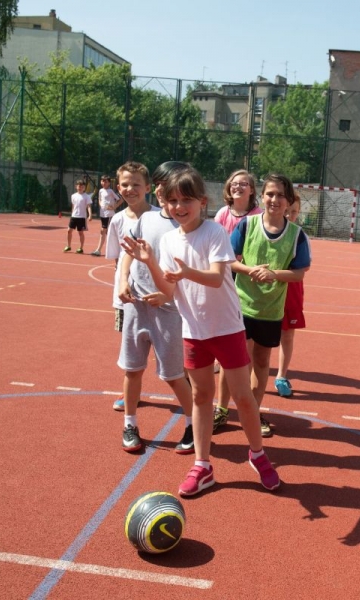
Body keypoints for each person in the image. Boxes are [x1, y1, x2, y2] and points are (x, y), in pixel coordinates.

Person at [123, 166, 281, 496]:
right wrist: (150, 262)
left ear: (202, 202)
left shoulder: (214, 232)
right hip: (194, 331)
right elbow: (170, 290)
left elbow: (214, 277)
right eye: (172, 201)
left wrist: (185, 273)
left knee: (243, 398)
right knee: (201, 397)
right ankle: (202, 465)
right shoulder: (168, 240)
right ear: (164, 202)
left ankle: (258, 455)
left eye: (186, 200)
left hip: (226, 328)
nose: (179, 207)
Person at [116, 162, 194, 454]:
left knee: (174, 375)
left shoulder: (185, 226)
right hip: (136, 307)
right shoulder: (146, 219)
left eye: (167, 184)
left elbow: (189, 273)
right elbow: (130, 252)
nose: (161, 189)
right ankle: (130, 424)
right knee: (132, 369)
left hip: (168, 311)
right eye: (159, 184)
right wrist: (123, 280)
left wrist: (167, 296)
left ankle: (193, 424)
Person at [230, 174, 311, 437]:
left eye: (280, 195)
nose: (275, 199)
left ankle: (253, 412)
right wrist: (249, 270)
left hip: (270, 310)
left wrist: (273, 274)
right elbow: (228, 259)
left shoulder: (297, 235)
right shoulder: (247, 225)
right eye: (270, 194)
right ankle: (224, 409)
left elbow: (299, 273)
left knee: (262, 361)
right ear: (262, 196)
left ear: (289, 201)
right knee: (236, 362)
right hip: (241, 306)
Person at [104, 161, 156, 446]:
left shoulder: (160, 217)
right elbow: (117, 259)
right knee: (132, 355)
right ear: (118, 187)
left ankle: (191, 404)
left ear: (148, 187)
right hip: (127, 298)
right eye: (124, 184)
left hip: (158, 297)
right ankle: (131, 395)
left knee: (171, 355)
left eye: (136, 184)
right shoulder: (117, 220)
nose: (130, 189)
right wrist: (123, 286)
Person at [212, 170, 263, 433]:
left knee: (249, 350)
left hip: (247, 281)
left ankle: (250, 409)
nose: (238, 187)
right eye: (234, 183)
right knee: (225, 337)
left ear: (252, 190)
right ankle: (221, 408)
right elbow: (214, 245)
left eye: (244, 183)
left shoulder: (257, 217)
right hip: (223, 277)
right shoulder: (223, 214)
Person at [275, 192, 308, 398]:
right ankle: (251, 374)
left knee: (287, 335)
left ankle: (281, 376)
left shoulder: (298, 235)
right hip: (266, 291)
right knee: (256, 337)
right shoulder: (265, 230)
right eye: (287, 211)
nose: (289, 215)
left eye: (294, 212)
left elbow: (305, 267)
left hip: (291, 291)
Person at [91, 174, 122, 256]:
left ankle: (99, 250)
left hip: (109, 214)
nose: (103, 183)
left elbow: (120, 199)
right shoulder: (101, 191)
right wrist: (101, 205)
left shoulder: (110, 191)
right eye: (102, 181)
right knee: (108, 232)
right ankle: (115, 250)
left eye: (105, 181)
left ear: (109, 183)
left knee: (104, 231)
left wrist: (114, 207)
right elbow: (100, 199)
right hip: (103, 214)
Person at [64, 178, 91, 253]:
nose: (80, 188)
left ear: (84, 188)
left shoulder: (86, 196)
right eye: (79, 186)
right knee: (69, 231)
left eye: (82, 186)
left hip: (81, 217)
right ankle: (68, 246)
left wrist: (90, 215)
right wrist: (72, 214)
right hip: (74, 216)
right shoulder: (73, 196)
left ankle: (81, 248)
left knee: (80, 232)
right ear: (76, 186)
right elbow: (73, 206)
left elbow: (89, 206)